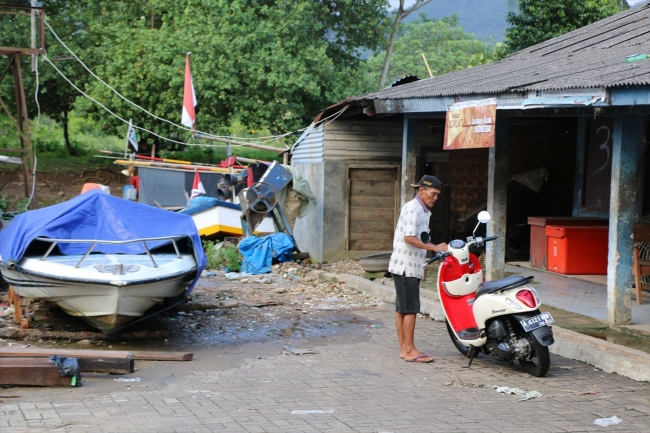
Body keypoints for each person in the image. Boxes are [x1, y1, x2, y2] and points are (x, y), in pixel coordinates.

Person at [389, 175, 448, 363]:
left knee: (403, 309)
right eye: (433, 193)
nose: (435, 198)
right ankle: (410, 350)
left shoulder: (423, 211)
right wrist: (436, 247)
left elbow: (420, 239)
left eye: (438, 195)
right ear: (421, 191)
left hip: (410, 266)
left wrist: (423, 266)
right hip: (405, 266)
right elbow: (409, 238)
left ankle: (404, 350)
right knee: (410, 309)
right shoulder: (413, 209)